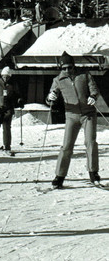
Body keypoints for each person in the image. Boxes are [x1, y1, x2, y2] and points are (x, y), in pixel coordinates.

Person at [46, 51, 101, 188]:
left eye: (69, 67)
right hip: (71, 116)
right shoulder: (58, 80)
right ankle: (59, 176)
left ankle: (93, 173)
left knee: (90, 143)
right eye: (64, 68)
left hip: (88, 114)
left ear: (73, 66)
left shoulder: (84, 75)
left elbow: (94, 90)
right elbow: (51, 96)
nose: (67, 70)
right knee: (67, 146)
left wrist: (93, 97)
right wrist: (50, 98)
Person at [0, 66, 22, 154]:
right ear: (2, 75)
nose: (5, 78)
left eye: (7, 77)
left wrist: (20, 100)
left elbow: (18, 94)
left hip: (8, 108)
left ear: (10, 77)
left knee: (7, 128)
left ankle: (7, 146)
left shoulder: (13, 84)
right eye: (4, 76)